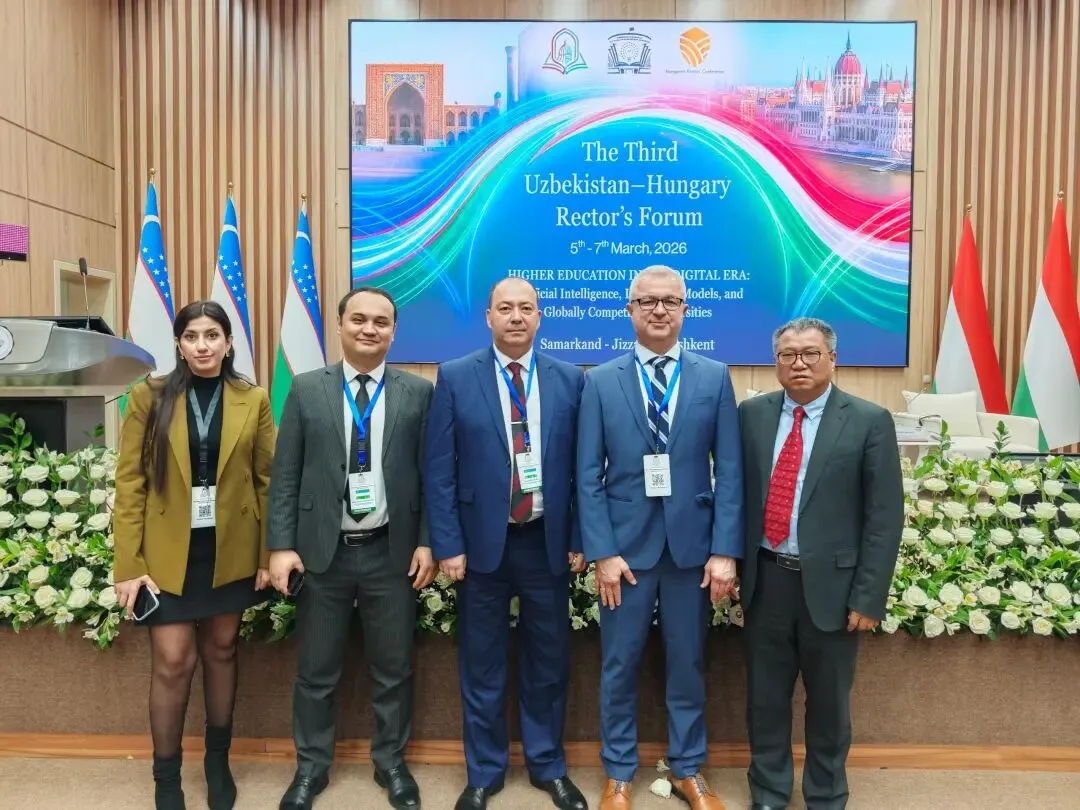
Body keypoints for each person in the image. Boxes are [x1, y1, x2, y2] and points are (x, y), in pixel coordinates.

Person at [576, 265, 744, 810]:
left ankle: (688, 768)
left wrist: (725, 550)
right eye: (647, 301)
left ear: (685, 309)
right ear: (629, 310)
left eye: (670, 301)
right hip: (624, 554)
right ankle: (618, 773)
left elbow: (730, 471)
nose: (659, 310)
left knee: (688, 663)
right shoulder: (600, 380)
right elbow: (587, 475)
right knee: (618, 665)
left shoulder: (713, 377)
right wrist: (602, 551)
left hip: (691, 551)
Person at [267, 286, 437, 810]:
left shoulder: (419, 392)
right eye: (359, 319)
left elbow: (433, 477)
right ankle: (310, 769)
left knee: (394, 668)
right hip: (324, 554)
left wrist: (428, 542)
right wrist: (280, 546)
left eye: (381, 322)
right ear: (339, 326)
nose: (369, 329)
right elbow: (285, 474)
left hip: (391, 552)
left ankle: (391, 763)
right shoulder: (306, 388)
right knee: (316, 670)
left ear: (393, 332)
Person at [423, 277, 588, 810]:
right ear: (488, 317)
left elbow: (584, 470)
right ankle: (484, 773)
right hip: (480, 547)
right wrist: (448, 543)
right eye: (505, 308)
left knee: (549, 662)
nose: (516, 316)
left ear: (540, 317)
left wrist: (580, 537)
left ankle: (548, 766)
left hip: (546, 543)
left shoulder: (570, 379)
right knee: (482, 663)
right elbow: (439, 471)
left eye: (526, 308)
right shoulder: (455, 376)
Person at [113, 300, 276, 810]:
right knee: (172, 661)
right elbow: (130, 483)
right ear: (179, 345)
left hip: (231, 549)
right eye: (191, 337)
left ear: (229, 342)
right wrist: (129, 566)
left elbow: (269, 481)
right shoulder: (149, 395)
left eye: (212, 336)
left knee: (222, 652)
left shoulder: (253, 398)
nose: (202, 346)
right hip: (167, 552)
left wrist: (269, 554)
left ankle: (217, 761)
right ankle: (167, 779)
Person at [737, 317, 904, 810]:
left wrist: (869, 596)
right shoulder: (752, 415)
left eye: (810, 353)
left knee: (829, 703)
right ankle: (769, 791)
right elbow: (734, 496)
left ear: (832, 358)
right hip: (766, 578)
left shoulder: (869, 420)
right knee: (765, 698)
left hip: (834, 587)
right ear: (776, 362)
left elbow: (884, 517)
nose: (799, 363)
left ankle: (826, 794)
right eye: (788, 354)